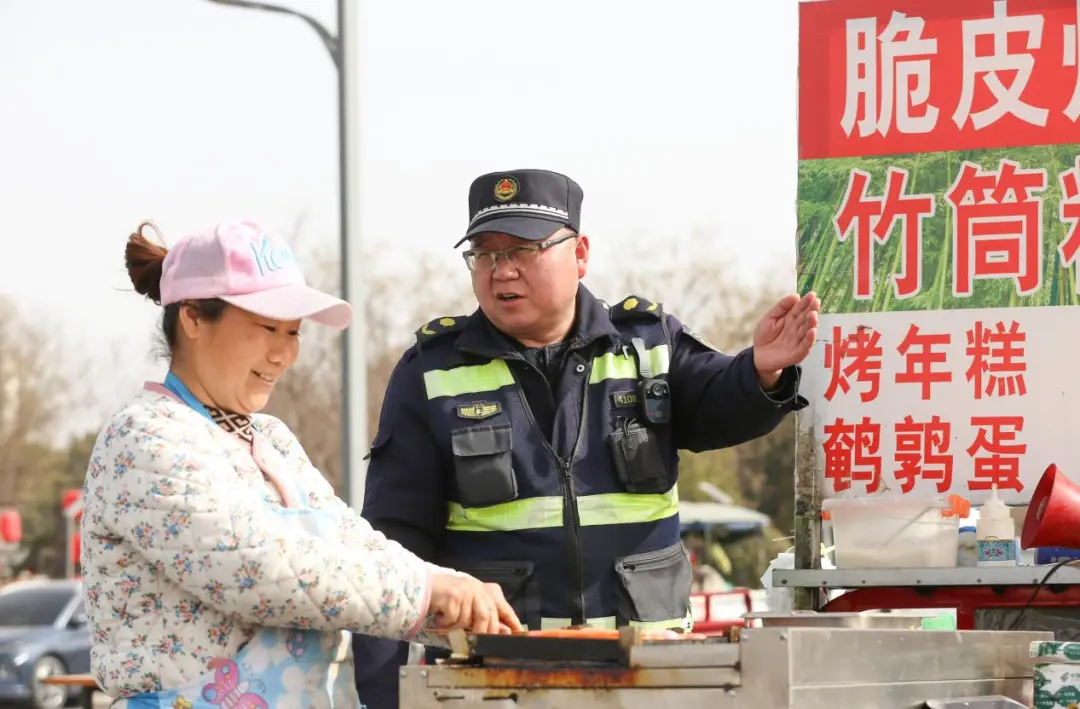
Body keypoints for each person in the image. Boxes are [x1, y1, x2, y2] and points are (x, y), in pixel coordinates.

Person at [353, 168, 820, 707]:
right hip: (497, 686)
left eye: (523, 250)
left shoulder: (648, 347)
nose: (502, 272)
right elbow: (391, 550)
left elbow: (721, 401)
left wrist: (761, 370)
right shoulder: (431, 374)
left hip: (651, 682)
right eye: (484, 255)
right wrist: (385, 697)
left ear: (580, 255)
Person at [80, 221, 522, 708]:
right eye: (267, 328)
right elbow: (257, 568)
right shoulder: (144, 436)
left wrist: (454, 600)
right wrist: (424, 592)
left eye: (293, 332)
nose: (283, 353)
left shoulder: (271, 440)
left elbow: (352, 543)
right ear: (193, 318)